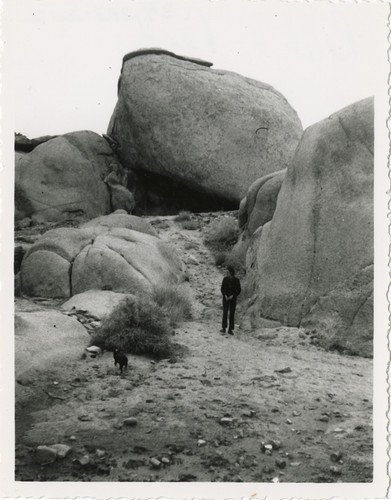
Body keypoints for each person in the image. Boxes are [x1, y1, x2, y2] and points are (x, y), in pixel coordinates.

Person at [220, 266, 241, 335]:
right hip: (225, 298)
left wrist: (233, 296)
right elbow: (222, 289)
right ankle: (224, 328)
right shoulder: (225, 279)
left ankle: (230, 329)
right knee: (225, 313)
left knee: (232, 314)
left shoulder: (236, 280)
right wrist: (225, 295)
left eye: (227, 272)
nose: (226, 273)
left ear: (231, 273)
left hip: (233, 299)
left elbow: (239, 290)